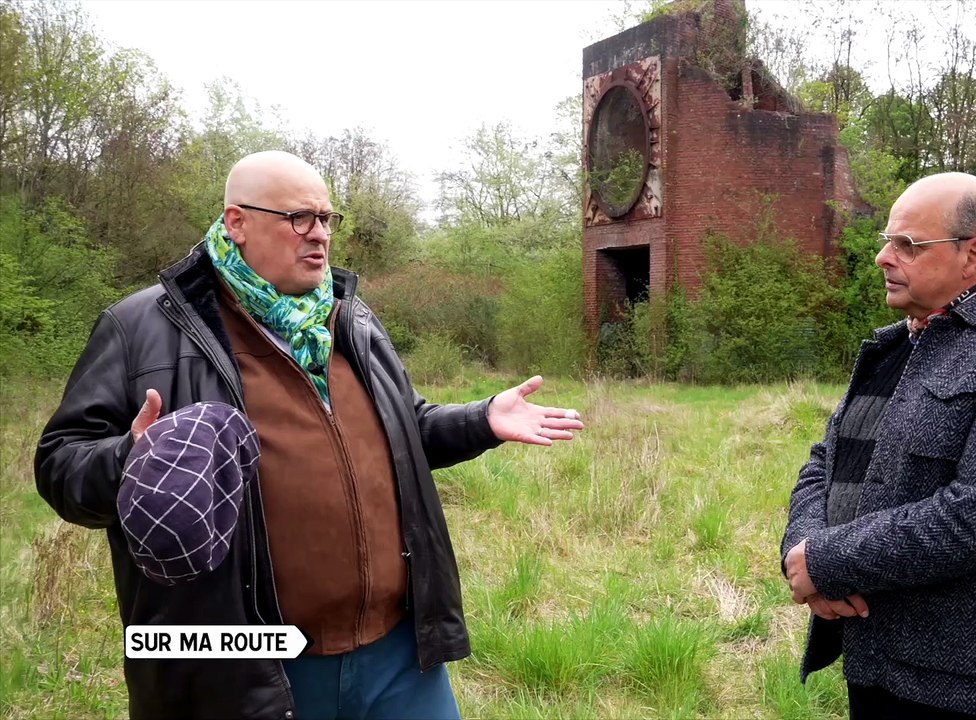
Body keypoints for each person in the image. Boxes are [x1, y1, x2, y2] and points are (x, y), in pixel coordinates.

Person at [34, 150, 585, 720]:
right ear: (237, 222)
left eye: (326, 218)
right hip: (253, 674)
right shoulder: (141, 327)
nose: (319, 234)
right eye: (299, 218)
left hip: (398, 654)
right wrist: (131, 462)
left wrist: (481, 418)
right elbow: (59, 461)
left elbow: (404, 429)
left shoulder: (350, 319)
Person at [780, 172, 976, 720]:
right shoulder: (898, 345)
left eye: (908, 245)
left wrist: (829, 561)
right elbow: (826, 463)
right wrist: (805, 552)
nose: (883, 258)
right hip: (877, 665)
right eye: (886, 241)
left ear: (974, 254)